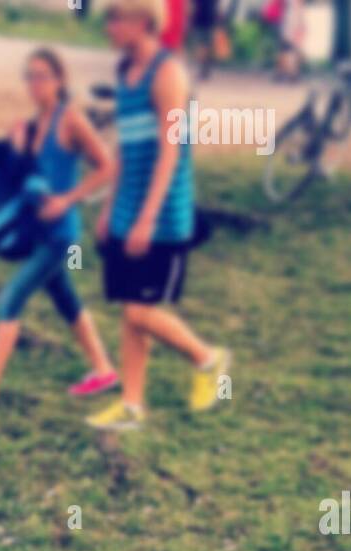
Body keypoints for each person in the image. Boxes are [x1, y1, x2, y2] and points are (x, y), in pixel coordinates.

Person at [87, 0, 230, 432]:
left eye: (116, 16)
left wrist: (148, 218)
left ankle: (207, 358)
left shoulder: (168, 73)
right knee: (132, 309)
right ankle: (132, 405)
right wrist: (110, 207)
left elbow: (172, 151)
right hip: (127, 205)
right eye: (107, 16)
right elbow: (128, 147)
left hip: (164, 213)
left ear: (143, 20)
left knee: (139, 312)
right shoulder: (123, 72)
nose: (108, 25)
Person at [0, 49, 118, 410]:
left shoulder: (71, 120)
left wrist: (69, 199)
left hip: (60, 235)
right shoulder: (30, 125)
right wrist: (15, 148)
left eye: (42, 76)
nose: (34, 84)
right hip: (36, 232)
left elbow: (106, 167)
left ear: (60, 80)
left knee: (9, 300)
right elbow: (21, 177)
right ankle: (104, 369)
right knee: (66, 300)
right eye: (29, 76)